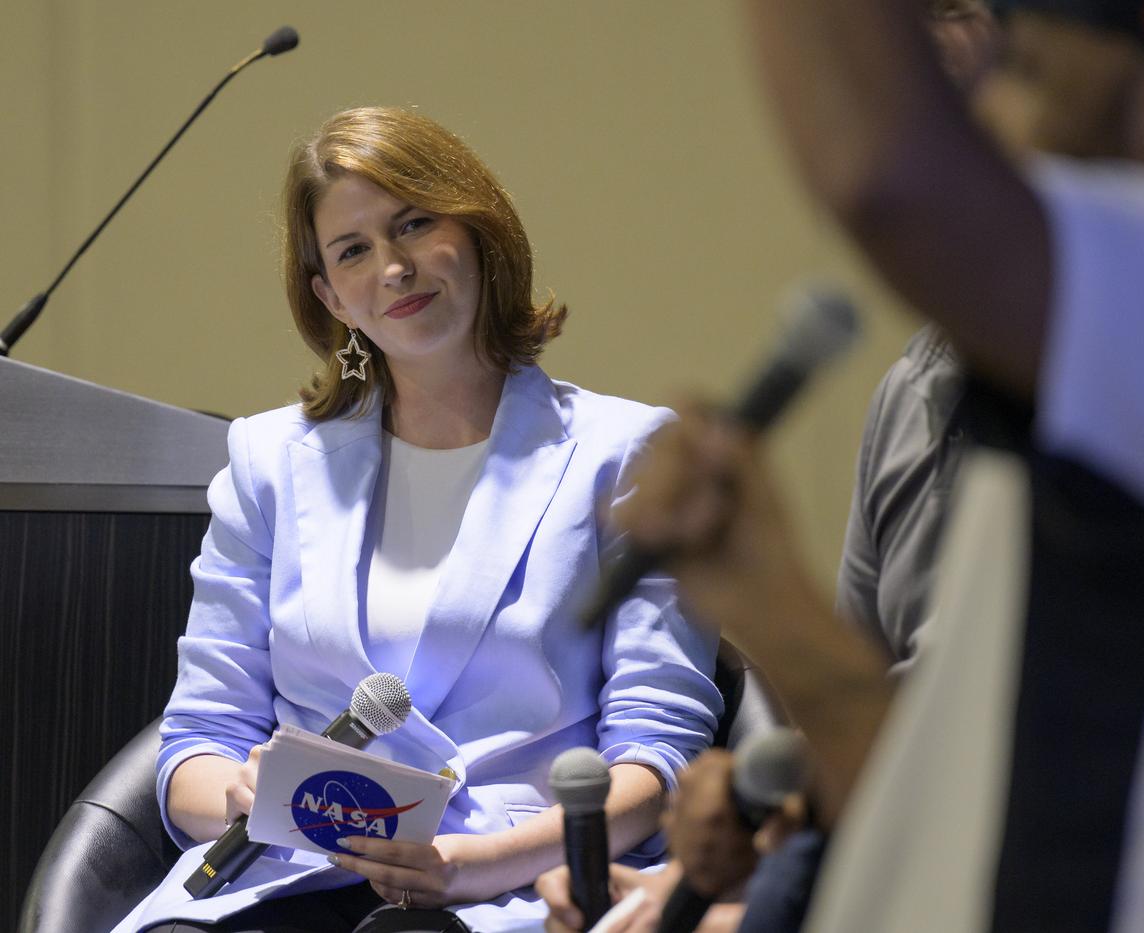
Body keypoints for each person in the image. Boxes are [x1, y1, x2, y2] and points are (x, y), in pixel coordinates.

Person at [590, 1, 1144, 931]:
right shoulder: (1012, 402)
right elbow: (934, 791)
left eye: (1024, 73)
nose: (983, 111)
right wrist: (766, 599)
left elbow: (891, 178)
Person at [115, 106, 723, 933]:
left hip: (510, 883)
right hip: (288, 878)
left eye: (414, 224)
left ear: (478, 232)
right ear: (331, 296)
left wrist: (479, 863)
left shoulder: (629, 454)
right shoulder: (267, 461)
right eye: (352, 250)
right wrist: (237, 793)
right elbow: (199, 734)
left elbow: (659, 754)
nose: (394, 268)